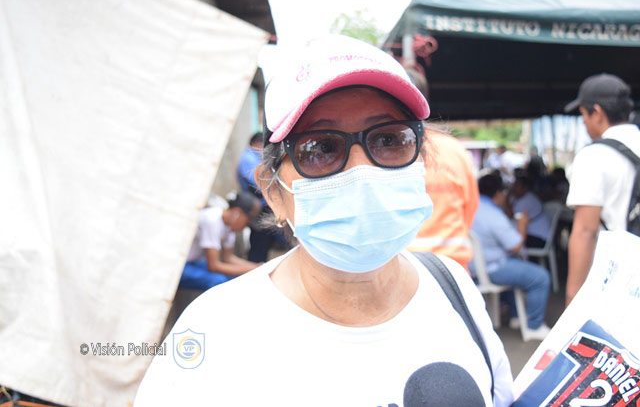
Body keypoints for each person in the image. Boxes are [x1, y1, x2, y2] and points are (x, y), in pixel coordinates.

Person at [136, 35, 513, 406]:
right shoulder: (214, 333)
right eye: (319, 149)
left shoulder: (453, 289)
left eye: (389, 140)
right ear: (273, 192)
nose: (363, 172)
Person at [564, 73, 639, 305]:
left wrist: (573, 297)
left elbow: (585, 231)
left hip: (622, 280)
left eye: (583, 115)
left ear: (597, 112)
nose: (583, 122)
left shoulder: (593, 156)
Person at [472, 173, 551, 339]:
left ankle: (516, 316)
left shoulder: (470, 207)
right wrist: (522, 225)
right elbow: (516, 246)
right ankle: (534, 326)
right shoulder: (493, 215)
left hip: (471, 267)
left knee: (514, 264)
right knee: (540, 277)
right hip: (492, 268)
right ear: (499, 193)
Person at [408, 129, 479, 270]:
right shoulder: (454, 149)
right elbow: (471, 206)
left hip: (402, 264)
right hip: (452, 264)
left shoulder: (387, 145)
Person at [178, 191, 261, 290]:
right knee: (219, 281)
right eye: (247, 222)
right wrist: (251, 269)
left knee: (233, 279)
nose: (245, 227)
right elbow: (213, 266)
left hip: (195, 261)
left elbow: (228, 258)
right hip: (179, 265)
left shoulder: (230, 227)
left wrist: (258, 267)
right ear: (237, 212)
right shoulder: (212, 220)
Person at [236, 131, 288, 262]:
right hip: (257, 206)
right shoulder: (248, 158)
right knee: (259, 238)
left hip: (263, 204)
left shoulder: (255, 158)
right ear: (257, 144)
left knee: (265, 237)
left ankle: (258, 262)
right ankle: (255, 263)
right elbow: (259, 182)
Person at [511, 175, 551, 249]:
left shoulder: (528, 200)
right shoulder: (518, 198)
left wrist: (505, 201)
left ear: (525, 188)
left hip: (538, 238)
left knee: (508, 241)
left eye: (517, 186)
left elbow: (511, 216)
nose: (513, 188)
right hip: (532, 235)